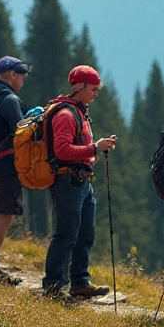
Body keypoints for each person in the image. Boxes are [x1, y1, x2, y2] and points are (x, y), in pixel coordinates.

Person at [39, 65, 118, 300]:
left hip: (81, 181)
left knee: (85, 234)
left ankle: (79, 282)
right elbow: (62, 150)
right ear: (79, 88)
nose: (95, 94)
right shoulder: (65, 114)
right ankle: (53, 285)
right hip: (68, 180)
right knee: (66, 235)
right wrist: (95, 147)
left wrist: (96, 148)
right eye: (93, 89)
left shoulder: (78, 112)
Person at [0, 56, 32, 284]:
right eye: (21, 75)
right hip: (7, 163)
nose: (22, 80)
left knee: (3, 214)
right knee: (4, 215)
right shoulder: (9, 99)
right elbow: (20, 134)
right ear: (11, 74)